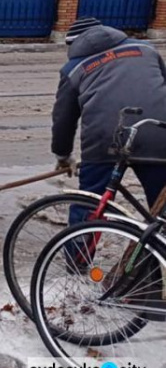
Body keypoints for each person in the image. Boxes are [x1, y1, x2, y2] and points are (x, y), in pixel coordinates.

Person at [52, 16, 166, 223]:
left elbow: (63, 119)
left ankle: (78, 253)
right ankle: (157, 251)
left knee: (90, 204)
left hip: (105, 140)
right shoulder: (147, 49)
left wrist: (62, 155)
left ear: (72, 44)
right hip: (157, 134)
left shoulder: (73, 69)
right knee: (162, 208)